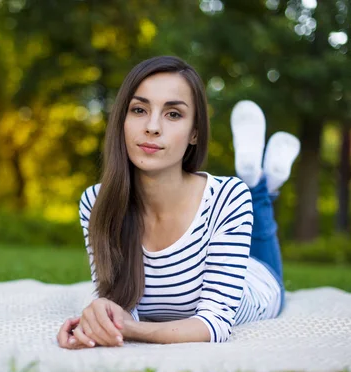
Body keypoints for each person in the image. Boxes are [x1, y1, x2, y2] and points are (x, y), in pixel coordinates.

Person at [57, 55, 300, 349]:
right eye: (138, 110)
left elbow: (215, 324)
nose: (152, 127)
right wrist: (95, 321)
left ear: (195, 132)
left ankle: (260, 186)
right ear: (122, 119)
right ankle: (259, 177)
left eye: (173, 114)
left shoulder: (228, 197)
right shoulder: (97, 203)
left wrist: (131, 330)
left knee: (257, 211)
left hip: (258, 281)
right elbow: (117, 303)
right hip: (219, 245)